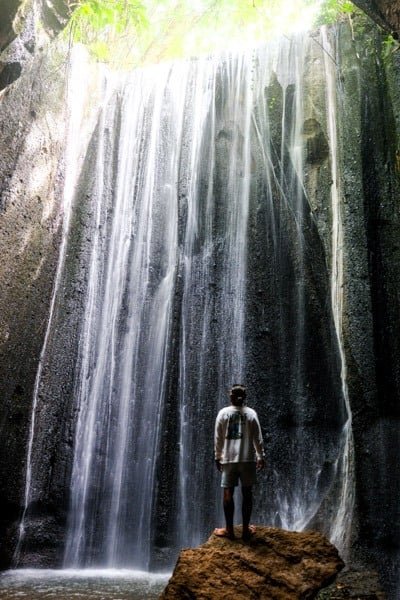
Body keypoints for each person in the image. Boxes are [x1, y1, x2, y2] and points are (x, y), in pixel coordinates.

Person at [214, 384, 265, 541]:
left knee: (228, 492)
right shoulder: (251, 414)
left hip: (229, 459)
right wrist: (260, 456)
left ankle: (229, 530)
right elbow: (258, 437)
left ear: (231, 397)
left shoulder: (223, 414)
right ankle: (244, 531)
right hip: (247, 459)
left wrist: (217, 456)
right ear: (244, 397)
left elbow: (218, 438)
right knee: (247, 493)